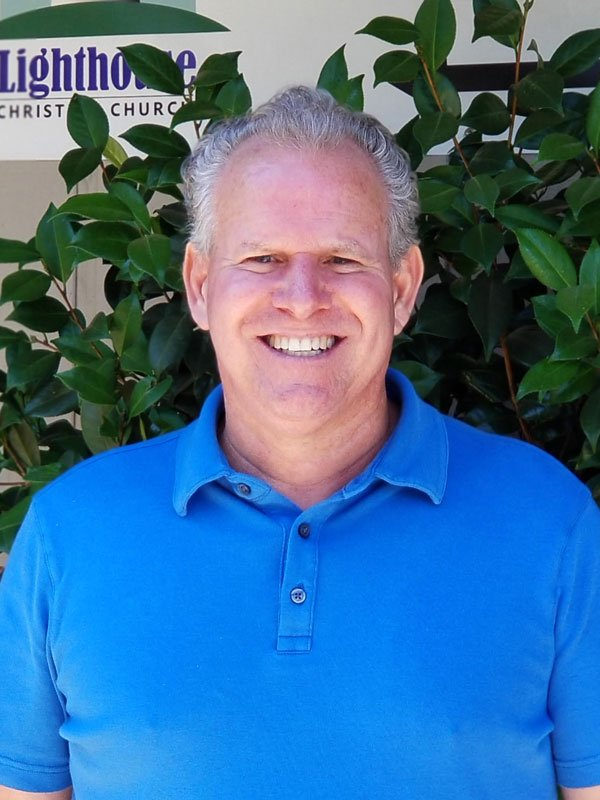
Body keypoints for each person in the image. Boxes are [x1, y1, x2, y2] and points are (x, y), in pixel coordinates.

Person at [0, 86, 599, 800]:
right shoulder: (71, 533)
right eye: (261, 258)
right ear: (199, 286)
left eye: (343, 259)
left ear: (402, 288)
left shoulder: (549, 522)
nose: (304, 297)